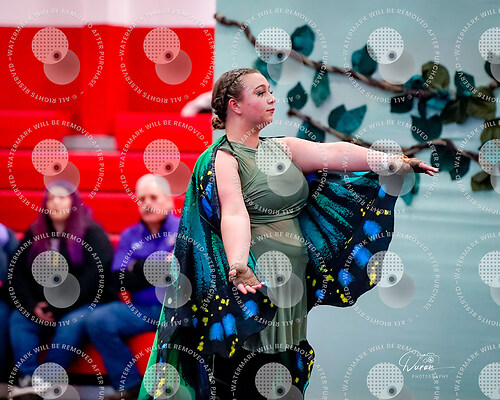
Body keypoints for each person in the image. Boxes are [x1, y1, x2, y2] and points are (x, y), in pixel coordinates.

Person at [138, 68, 439, 400]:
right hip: (253, 286)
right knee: (246, 379)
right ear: (235, 106)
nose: (272, 99)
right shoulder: (223, 159)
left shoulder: (282, 148)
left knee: (280, 379)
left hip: (290, 284)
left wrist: (390, 161)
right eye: (260, 92)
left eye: (270, 91)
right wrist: (239, 264)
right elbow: (234, 214)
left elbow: (335, 154)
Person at [8, 180, 115, 398]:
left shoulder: (92, 232)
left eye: (62, 197)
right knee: (20, 320)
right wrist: (32, 305)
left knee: (72, 323)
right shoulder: (35, 233)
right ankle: (27, 378)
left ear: (73, 203)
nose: (55, 202)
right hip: (44, 305)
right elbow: (17, 274)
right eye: (51, 198)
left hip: (84, 303)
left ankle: (47, 380)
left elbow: (95, 278)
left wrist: (59, 307)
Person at [85, 174, 180, 400]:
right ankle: (129, 387)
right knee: (97, 319)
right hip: (141, 309)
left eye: (153, 197)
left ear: (169, 200)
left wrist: (137, 266)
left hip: (177, 308)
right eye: (142, 199)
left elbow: (182, 273)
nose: (147, 203)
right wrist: (160, 265)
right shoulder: (130, 235)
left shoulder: (183, 229)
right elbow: (118, 279)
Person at [0, 223, 18, 399]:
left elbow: (16, 273)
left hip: (2, 297)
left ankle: (2, 379)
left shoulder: (4, 234)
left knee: (3, 315)